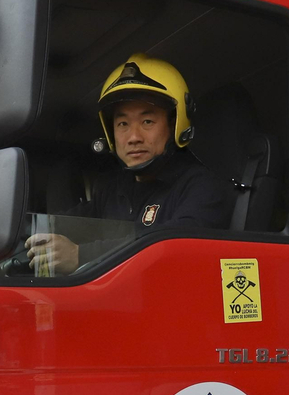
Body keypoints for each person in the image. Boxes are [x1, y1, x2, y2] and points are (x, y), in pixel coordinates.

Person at [25, 54, 234, 275]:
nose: (134, 137)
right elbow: (63, 224)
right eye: (123, 123)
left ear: (175, 124)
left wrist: (80, 255)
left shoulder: (201, 186)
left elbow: (176, 245)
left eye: (147, 121)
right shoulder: (113, 189)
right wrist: (23, 233)